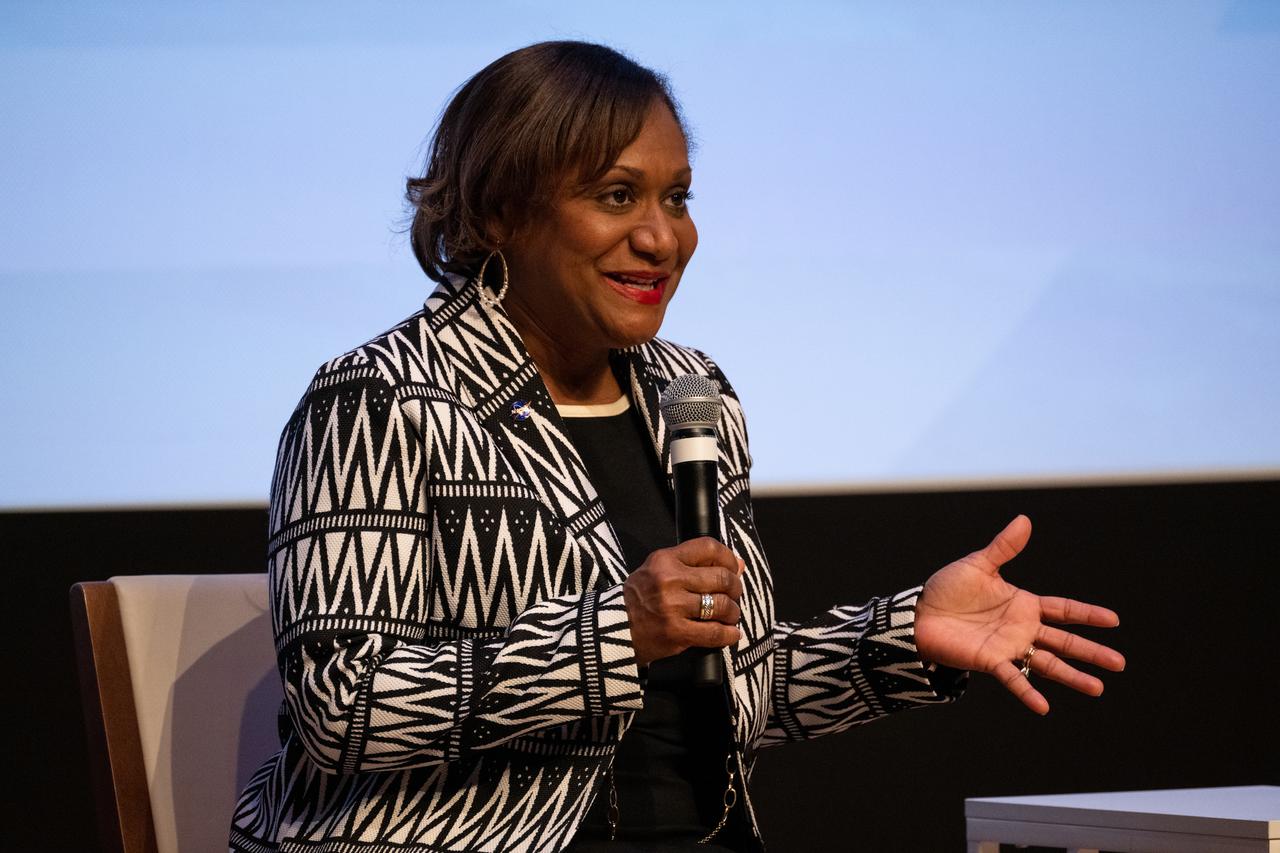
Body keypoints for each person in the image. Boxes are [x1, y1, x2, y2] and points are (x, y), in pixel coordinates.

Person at [229, 41, 1124, 853]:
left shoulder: (688, 394)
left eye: (677, 197)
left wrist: (904, 639)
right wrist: (611, 635)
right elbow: (338, 706)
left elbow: (728, 687)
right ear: (500, 211)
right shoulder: (383, 398)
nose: (663, 237)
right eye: (617, 196)